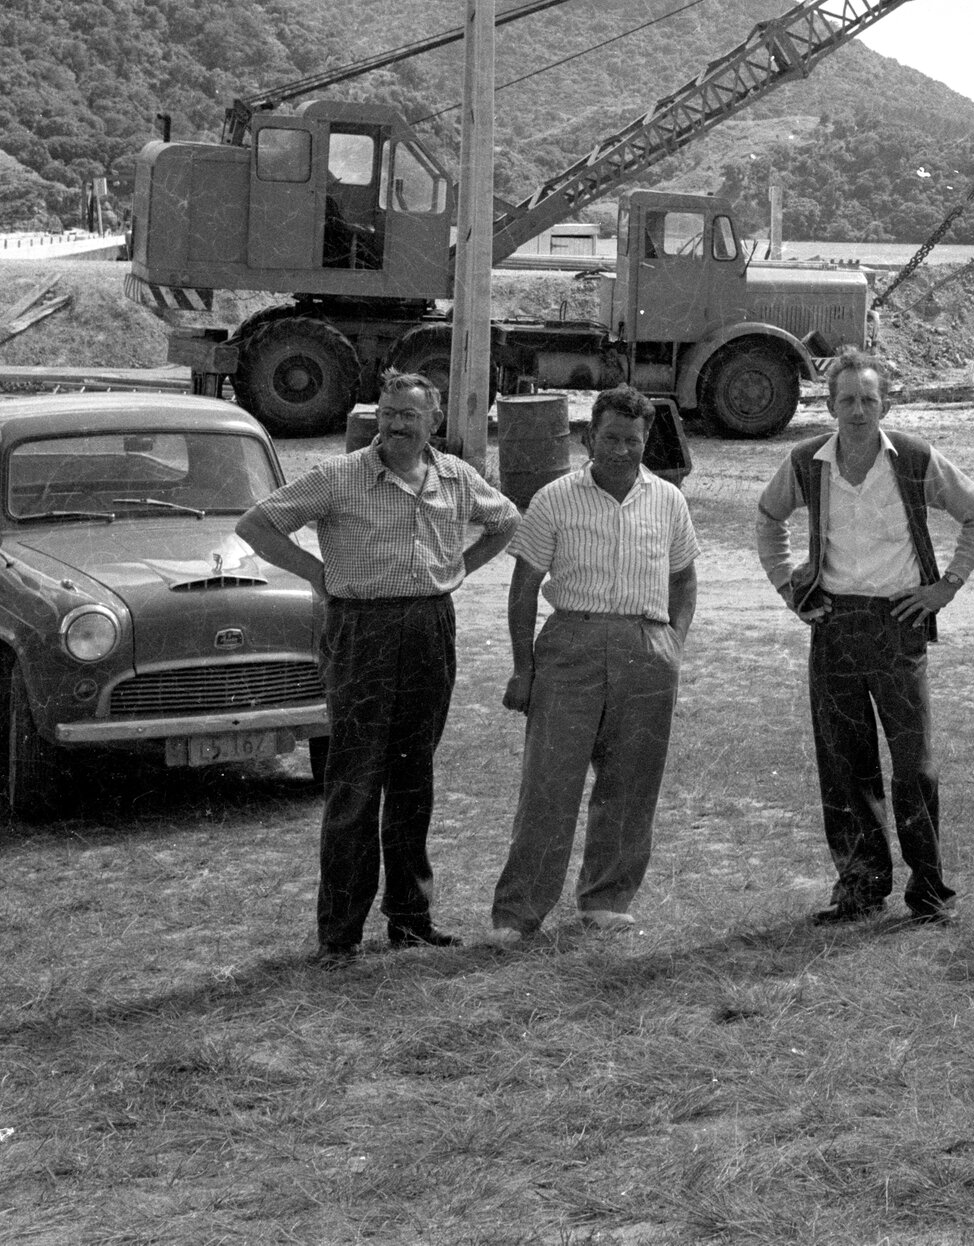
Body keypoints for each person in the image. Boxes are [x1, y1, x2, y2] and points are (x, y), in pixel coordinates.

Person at [237, 372, 519, 960]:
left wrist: (458, 568)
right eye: (388, 413)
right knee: (355, 782)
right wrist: (318, 574)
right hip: (360, 630)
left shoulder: (455, 477)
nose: (395, 425)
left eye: (408, 416)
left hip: (429, 628)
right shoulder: (339, 477)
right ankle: (340, 934)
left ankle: (410, 918)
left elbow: (506, 522)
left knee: (414, 778)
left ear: (433, 421)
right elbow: (256, 525)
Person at [756, 348, 974, 925]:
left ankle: (929, 892)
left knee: (914, 765)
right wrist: (790, 590)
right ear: (830, 406)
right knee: (845, 764)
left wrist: (945, 587)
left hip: (898, 625)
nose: (858, 411)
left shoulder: (914, 458)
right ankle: (860, 888)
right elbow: (768, 518)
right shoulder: (807, 461)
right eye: (847, 401)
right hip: (834, 625)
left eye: (869, 399)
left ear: (885, 404)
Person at [488, 386, 699, 944]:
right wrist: (523, 668)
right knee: (549, 784)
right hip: (571, 644)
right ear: (588, 437)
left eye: (633, 440)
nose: (621, 450)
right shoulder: (554, 498)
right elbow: (524, 586)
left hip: (646, 647)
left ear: (646, 440)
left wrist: (673, 643)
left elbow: (684, 579)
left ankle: (606, 900)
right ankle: (518, 914)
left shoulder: (668, 500)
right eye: (610, 438)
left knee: (631, 783)